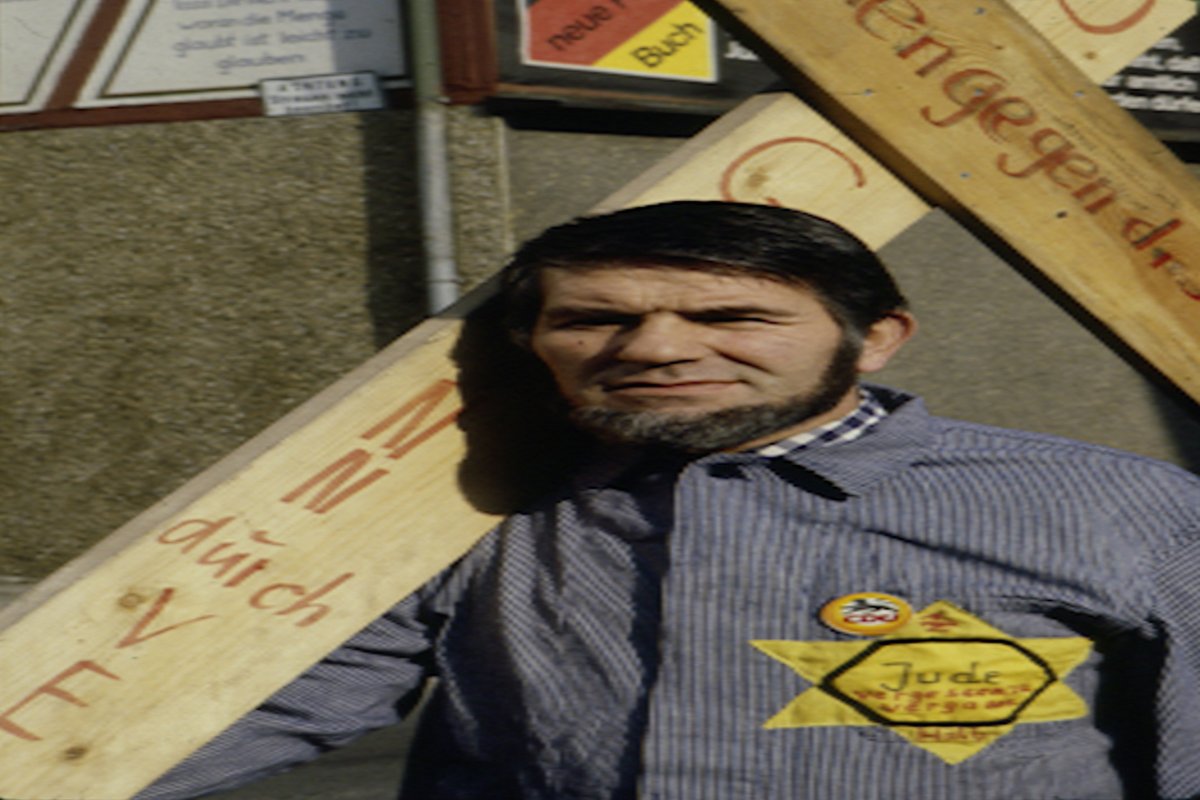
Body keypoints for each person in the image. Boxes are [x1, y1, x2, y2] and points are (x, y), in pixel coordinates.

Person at [138, 201, 1200, 800]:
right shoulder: (469, 516)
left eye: (730, 316)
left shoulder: (1113, 505)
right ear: (531, 343)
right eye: (593, 319)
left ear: (877, 338)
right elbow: (245, 713)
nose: (654, 349)